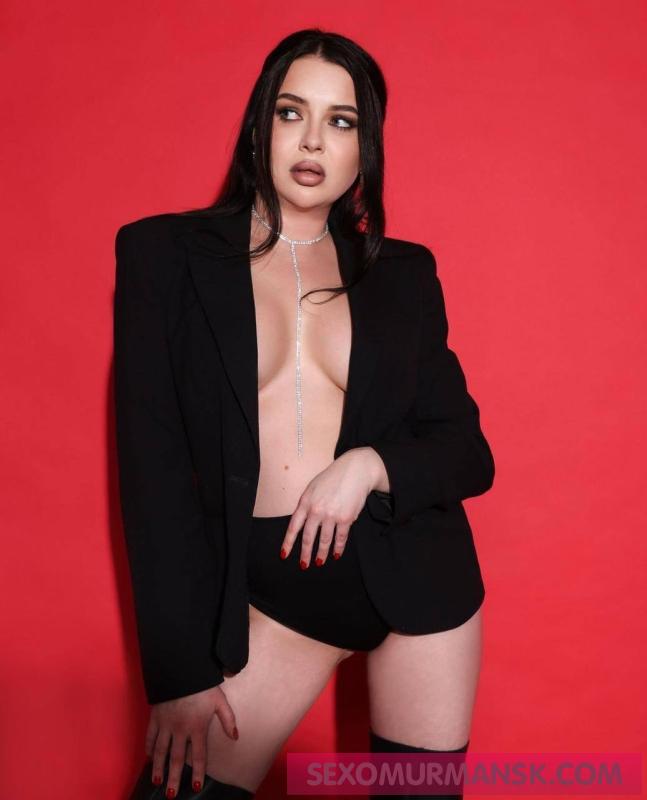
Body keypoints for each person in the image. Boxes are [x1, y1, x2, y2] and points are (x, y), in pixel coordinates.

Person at [114, 28, 495, 800]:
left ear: (364, 149)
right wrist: (180, 673)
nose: (313, 139)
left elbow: (466, 450)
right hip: (282, 588)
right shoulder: (165, 256)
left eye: (341, 121)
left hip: (420, 576)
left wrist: (369, 466)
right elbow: (153, 475)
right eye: (291, 113)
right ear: (259, 126)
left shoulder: (402, 275)